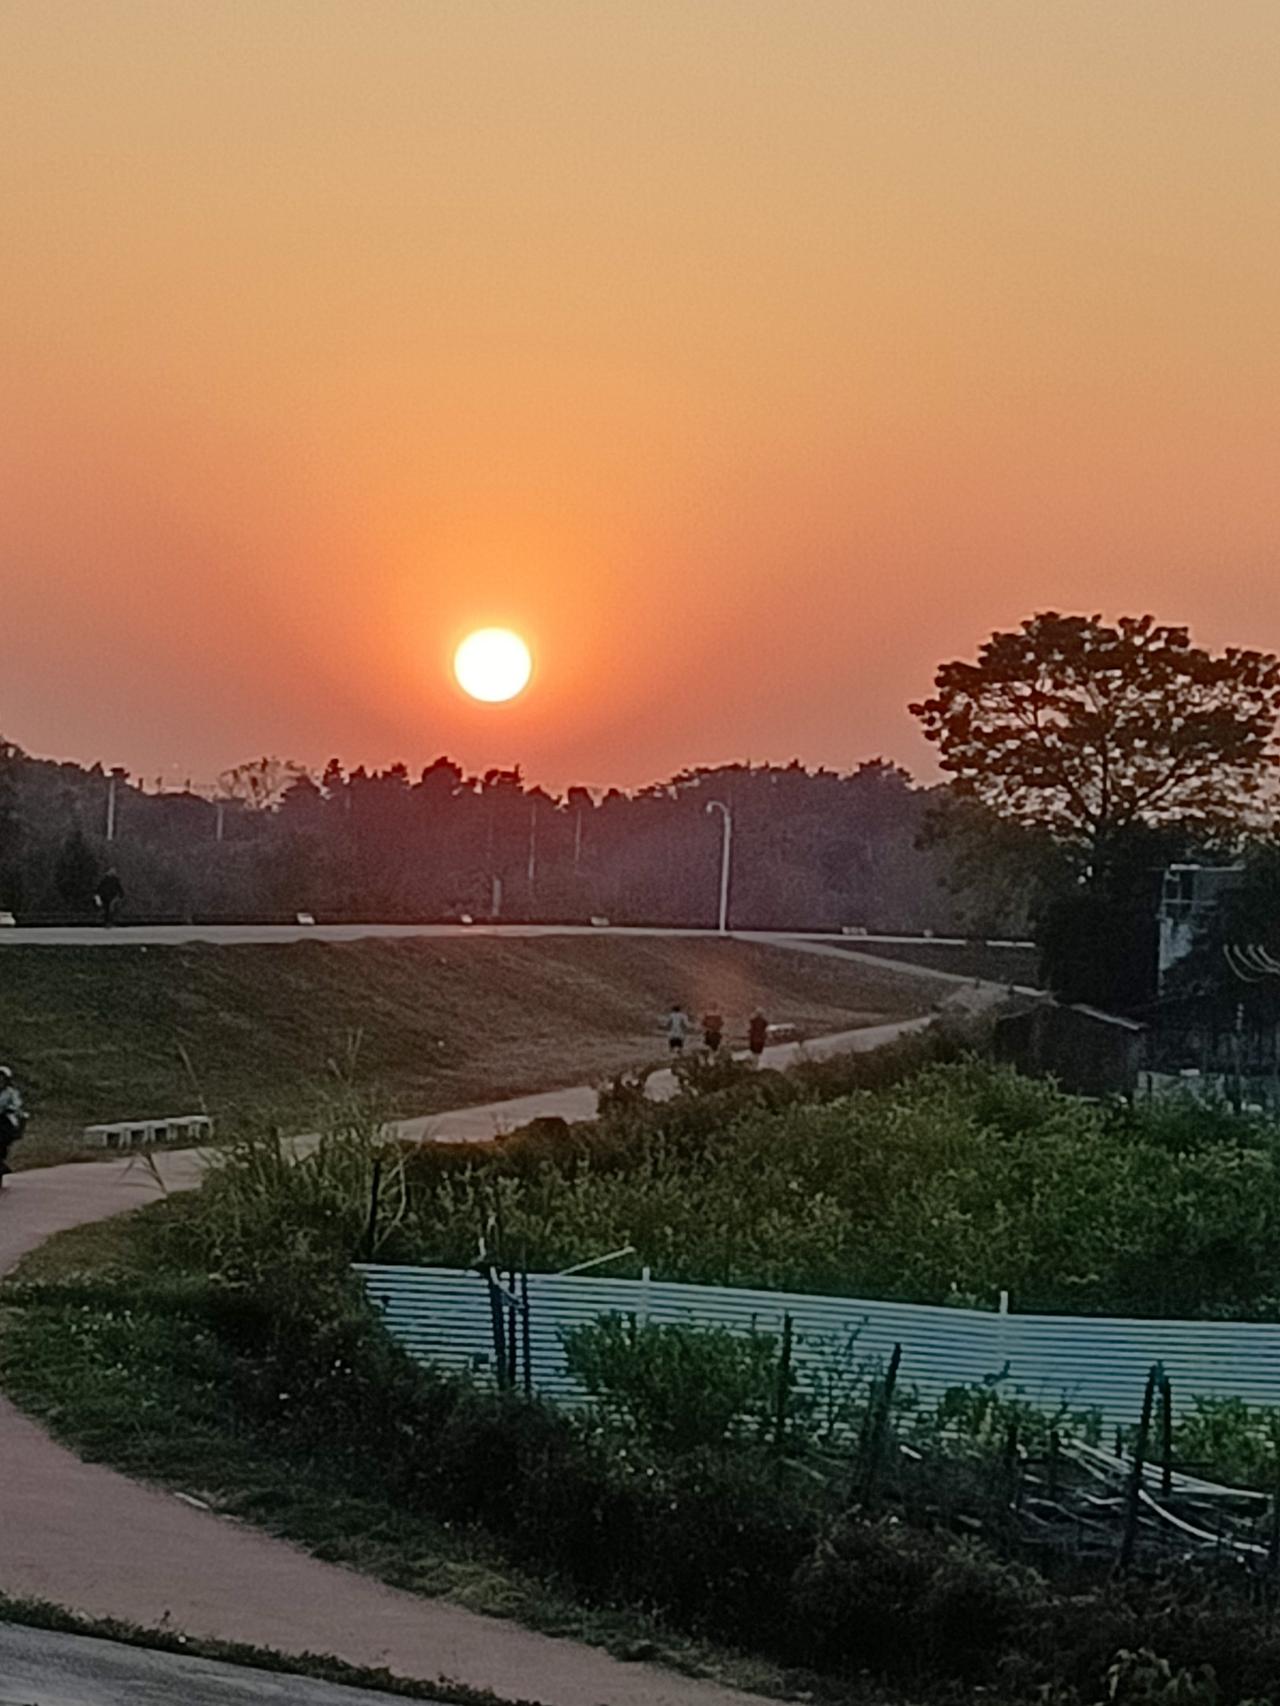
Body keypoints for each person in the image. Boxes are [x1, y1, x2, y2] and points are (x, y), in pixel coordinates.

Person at [0, 1067, 27, 1185]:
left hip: (4, 1120)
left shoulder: (11, 1093)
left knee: (2, 1140)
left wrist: (10, 1109)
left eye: (2, 1078)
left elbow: (16, 1105)